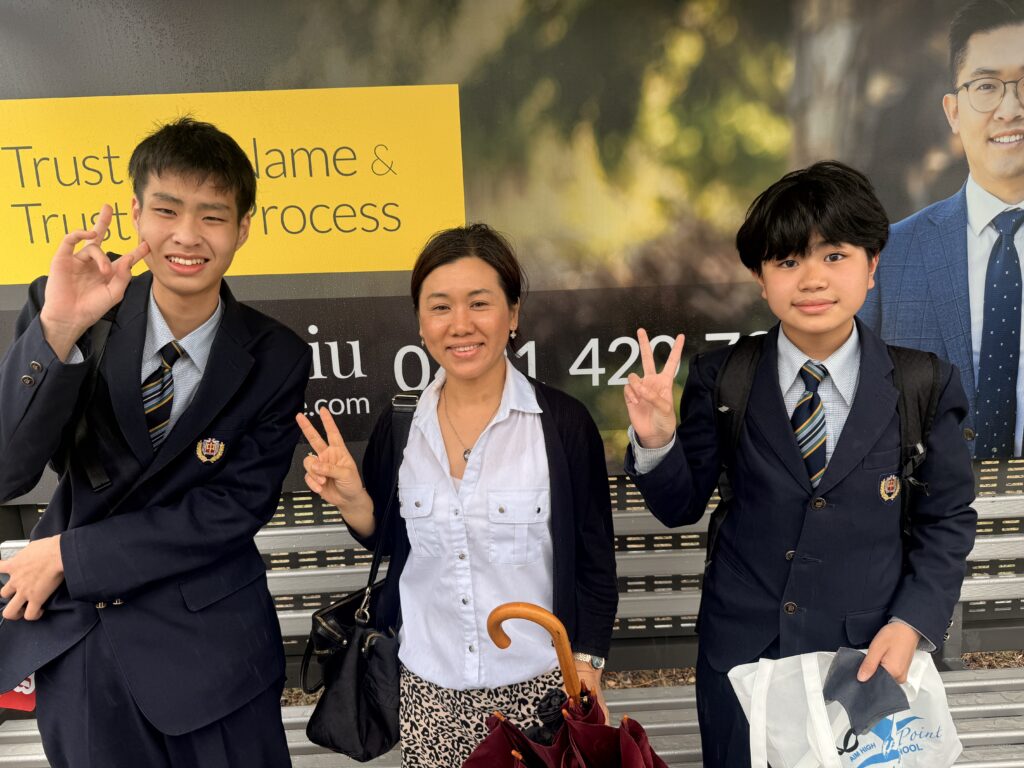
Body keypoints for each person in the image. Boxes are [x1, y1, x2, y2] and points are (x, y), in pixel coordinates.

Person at [623, 162, 976, 767]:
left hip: (865, 659)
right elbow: (680, 506)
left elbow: (946, 519)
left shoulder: (921, 382)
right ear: (761, 280)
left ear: (872, 265)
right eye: (787, 261)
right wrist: (656, 440)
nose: (812, 279)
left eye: (834, 256)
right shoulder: (724, 377)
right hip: (744, 663)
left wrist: (911, 624)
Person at [0, 118, 310, 768]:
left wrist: (72, 555)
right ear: (137, 214)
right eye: (167, 210)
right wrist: (59, 330)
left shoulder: (275, 354)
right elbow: (8, 470)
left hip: (215, 654)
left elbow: (232, 509)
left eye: (212, 216)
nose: (187, 235)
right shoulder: (72, 305)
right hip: (89, 652)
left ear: (243, 227)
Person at [297, 224, 618, 767]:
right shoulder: (402, 425)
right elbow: (386, 540)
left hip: (540, 694)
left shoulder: (561, 425)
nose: (460, 324)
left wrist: (586, 667)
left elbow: (595, 561)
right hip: (430, 694)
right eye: (440, 307)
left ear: (513, 314)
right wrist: (352, 500)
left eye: (480, 303)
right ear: (421, 323)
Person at [860, 0, 1024, 458]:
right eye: (986, 86)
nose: (1010, 108)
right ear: (952, 112)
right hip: (928, 503)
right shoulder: (889, 258)